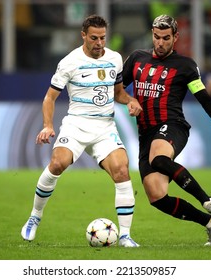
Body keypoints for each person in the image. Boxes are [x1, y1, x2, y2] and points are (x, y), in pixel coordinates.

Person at [122, 14, 211, 246]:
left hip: (173, 125)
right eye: (156, 37)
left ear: (176, 37)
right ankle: (210, 222)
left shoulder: (186, 66)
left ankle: (207, 200)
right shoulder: (137, 58)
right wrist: (129, 99)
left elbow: (205, 99)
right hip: (146, 132)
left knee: (159, 159)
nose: (160, 42)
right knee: (157, 197)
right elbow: (117, 88)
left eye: (166, 38)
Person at [21, 15, 142, 247]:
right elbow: (50, 97)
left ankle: (125, 236)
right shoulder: (70, 62)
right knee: (57, 164)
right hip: (76, 124)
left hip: (105, 126)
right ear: (83, 36)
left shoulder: (115, 59)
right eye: (94, 38)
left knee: (121, 170)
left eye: (103, 38)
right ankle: (35, 216)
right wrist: (48, 125)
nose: (99, 43)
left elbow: (118, 93)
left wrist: (130, 101)